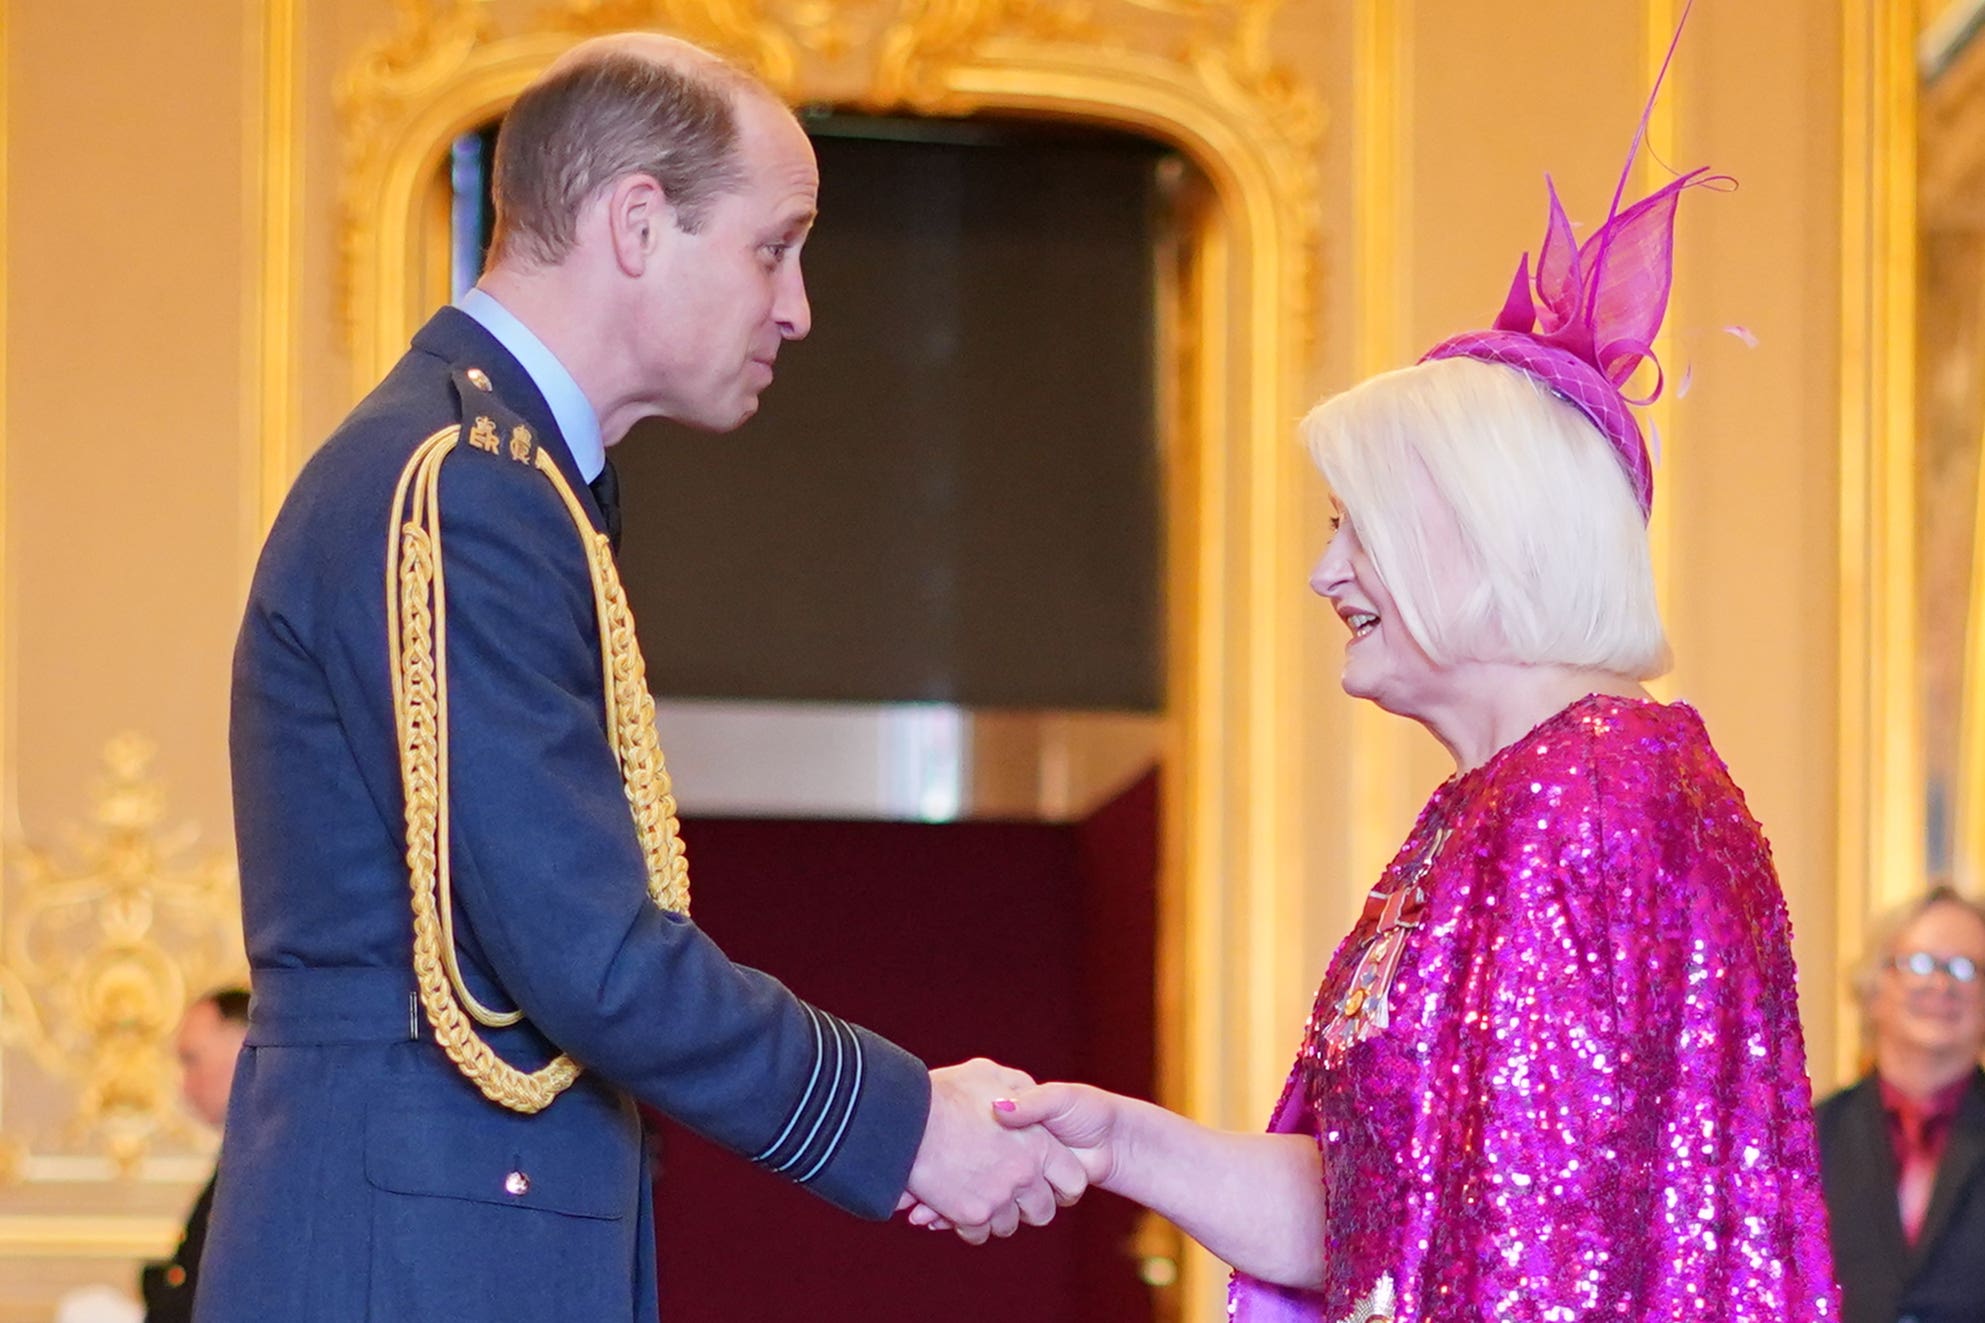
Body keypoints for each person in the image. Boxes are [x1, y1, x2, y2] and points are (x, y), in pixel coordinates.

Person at [199, 33, 1079, 1323]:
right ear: (636, 222)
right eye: (772, 246)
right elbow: (591, 961)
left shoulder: (502, 477)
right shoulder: (466, 488)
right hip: (417, 1262)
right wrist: (905, 1123)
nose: (797, 306)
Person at [947, 59, 1843, 1322]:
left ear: (1477, 536)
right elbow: (1382, 1215)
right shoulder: (1516, 797)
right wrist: (1119, 1143)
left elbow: (1548, 1274)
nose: (1322, 572)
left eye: (1350, 527)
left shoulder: (1584, 805)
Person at [1817, 886, 1985, 1323]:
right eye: (1920, 964)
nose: (1941, 985)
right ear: (1875, 988)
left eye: (1966, 969)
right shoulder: (1810, 1138)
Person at [139, 989, 248, 1323]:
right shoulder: (241, 1159)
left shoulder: (267, 1167)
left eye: (192, 1059)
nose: (184, 1087)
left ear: (243, 1046)